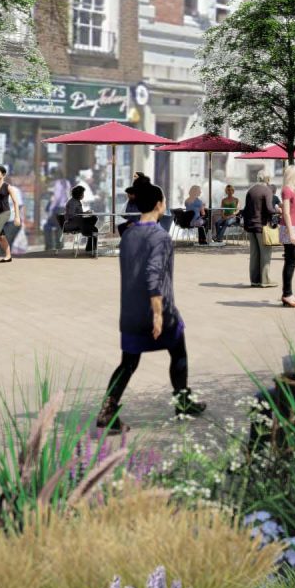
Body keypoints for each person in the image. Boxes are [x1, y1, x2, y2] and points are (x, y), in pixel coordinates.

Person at [104, 179, 203, 427]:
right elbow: (153, 273)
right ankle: (182, 403)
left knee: (128, 363)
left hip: (130, 312)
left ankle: (108, 410)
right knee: (178, 352)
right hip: (159, 310)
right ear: (159, 205)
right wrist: (158, 313)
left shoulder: (128, 234)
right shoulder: (160, 237)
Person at [242, 173, 279, 289]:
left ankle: (254, 280)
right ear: (267, 179)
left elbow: (245, 209)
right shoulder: (267, 191)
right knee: (265, 254)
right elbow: (269, 208)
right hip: (262, 226)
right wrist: (277, 210)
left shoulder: (251, 190)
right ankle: (265, 280)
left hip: (250, 226)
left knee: (254, 254)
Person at [277, 176, 295, 309]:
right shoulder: (287, 190)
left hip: (293, 227)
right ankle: (287, 294)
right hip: (289, 228)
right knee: (290, 262)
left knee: (292, 261)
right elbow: (286, 213)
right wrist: (291, 232)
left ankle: (288, 293)